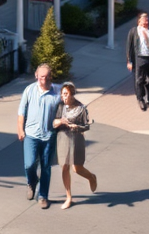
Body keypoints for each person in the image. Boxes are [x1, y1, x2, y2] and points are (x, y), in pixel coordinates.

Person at [17, 64, 61, 209]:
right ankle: (32, 182)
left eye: (47, 76)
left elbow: (70, 97)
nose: (44, 79)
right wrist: (20, 129)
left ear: (51, 76)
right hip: (31, 134)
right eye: (42, 76)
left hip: (49, 136)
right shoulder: (29, 90)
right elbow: (21, 111)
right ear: (36, 76)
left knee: (46, 167)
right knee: (29, 164)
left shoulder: (57, 91)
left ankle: (43, 196)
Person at [52, 81, 97, 209]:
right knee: (65, 167)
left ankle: (91, 177)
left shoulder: (81, 108)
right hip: (63, 138)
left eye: (66, 94)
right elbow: (53, 123)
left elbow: (86, 126)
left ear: (72, 95)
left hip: (77, 138)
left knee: (77, 168)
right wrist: (60, 121)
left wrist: (77, 127)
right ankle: (68, 197)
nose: (64, 97)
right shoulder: (60, 106)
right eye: (62, 94)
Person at [125, 11, 149, 110]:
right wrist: (129, 61)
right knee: (139, 80)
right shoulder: (134, 31)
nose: (146, 21)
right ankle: (140, 99)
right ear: (139, 21)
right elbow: (129, 47)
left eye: (147, 19)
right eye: (144, 19)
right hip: (140, 58)